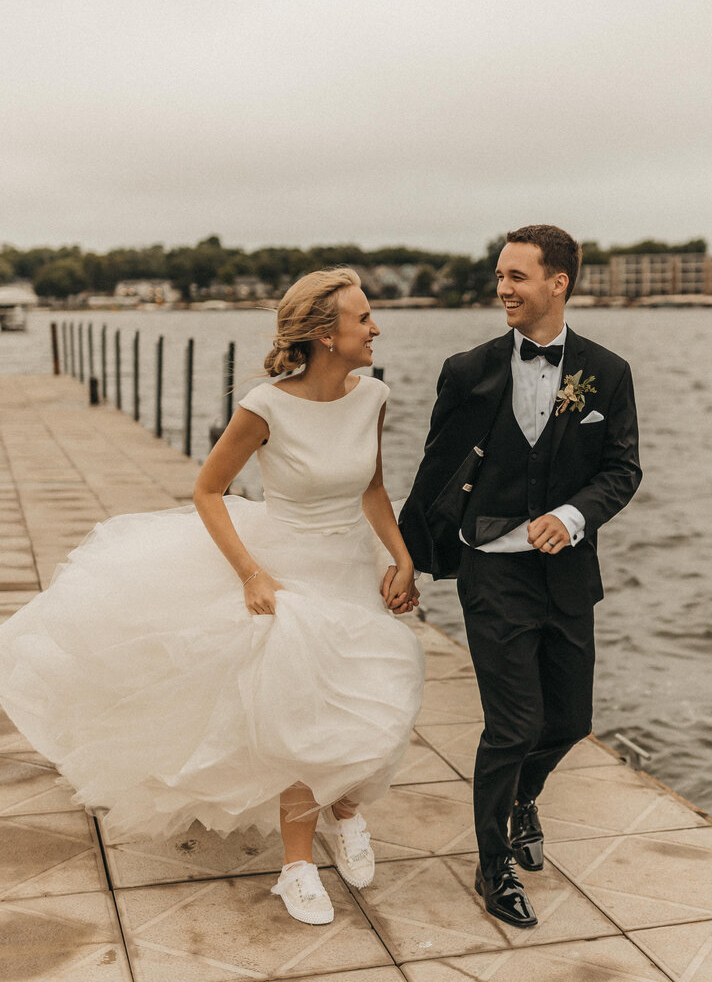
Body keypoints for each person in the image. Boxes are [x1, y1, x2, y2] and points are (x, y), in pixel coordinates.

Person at [0, 267, 424, 927]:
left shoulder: (372, 396)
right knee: (299, 712)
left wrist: (401, 556)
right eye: (363, 317)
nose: (376, 327)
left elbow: (371, 487)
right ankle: (296, 867)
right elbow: (207, 491)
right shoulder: (266, 406)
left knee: (378, 700)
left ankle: (346, 814)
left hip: (349, 568)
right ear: (324, 333)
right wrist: (251, 574)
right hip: (287, 570)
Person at [399, 225, 641, 928]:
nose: (503, 288)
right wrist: (409, 559)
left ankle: (524, 798)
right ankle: (494, 864)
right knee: (512, 724)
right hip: (491, 570)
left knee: (569, 719)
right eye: (500, 276)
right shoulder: (466, 370)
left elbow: (622, 470)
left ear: (558, 282)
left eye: (518, 277)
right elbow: (436, 472)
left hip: (567, 573)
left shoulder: (608, 372)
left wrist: (573, 515)